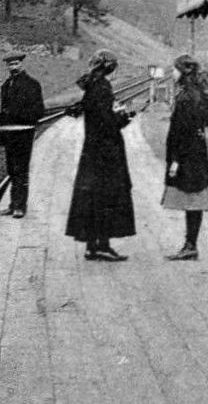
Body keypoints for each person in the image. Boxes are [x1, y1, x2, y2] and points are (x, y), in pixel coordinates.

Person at [65, 49, 136, 261]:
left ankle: (91, 246)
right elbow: (108, 123)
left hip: (92, 150)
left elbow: (93, 113)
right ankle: (103, 246)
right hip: (107, 152)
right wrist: (124, 117)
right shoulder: (103, 86)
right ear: (109, 68)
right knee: (108, 197)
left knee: (92, 197)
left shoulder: (91, 85)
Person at [162, 55, 208, 261]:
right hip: (196, 153)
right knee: (194, 198)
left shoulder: (185, 97)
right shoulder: (198, 93)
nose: (173, 73)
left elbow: (182, 131)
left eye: (175, 69)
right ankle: (190, 244)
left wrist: (176, 160)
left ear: (183, 72)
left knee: (192, 198)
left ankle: (190, 246)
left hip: (187, 155)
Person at [0, 51, 45, 219]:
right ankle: (12, 205)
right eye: (10, 64)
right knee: (11, 170)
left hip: (23, 134)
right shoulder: (6, 85)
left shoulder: (32, 84)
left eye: (16, 64)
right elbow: (3, 112)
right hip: (10, 134)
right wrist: (2, 134)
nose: (13, 67)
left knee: (21, 170)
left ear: (22, 64)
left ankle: (20, 207)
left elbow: (39, 111)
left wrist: (19, 116)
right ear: (7, 66)